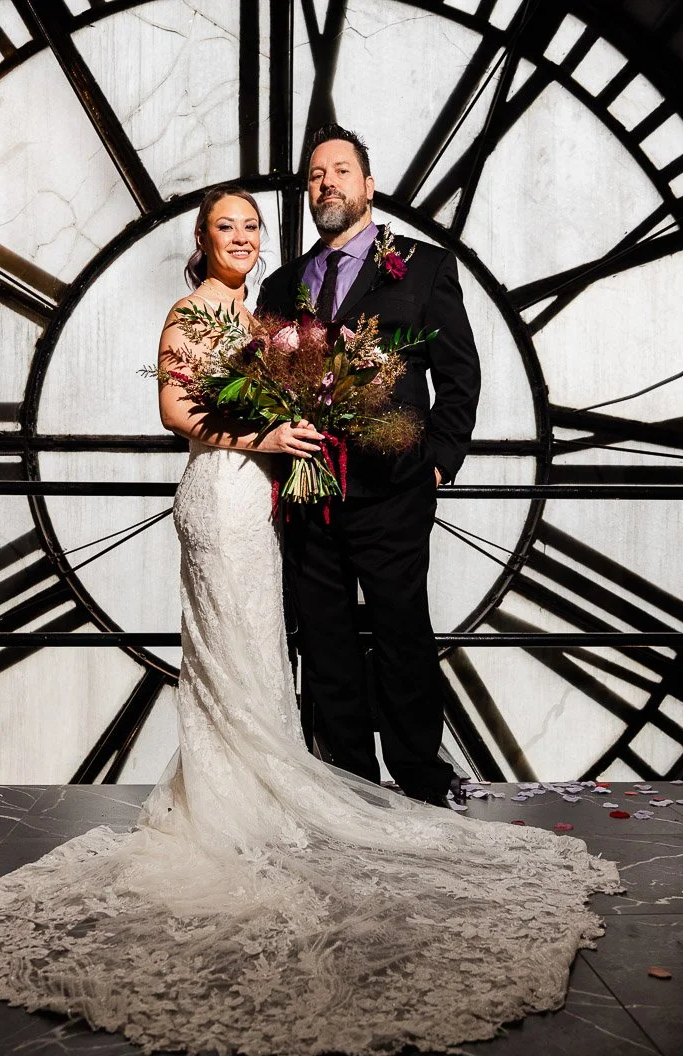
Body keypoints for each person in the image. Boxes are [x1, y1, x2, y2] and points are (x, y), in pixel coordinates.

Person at [0, 185, 619, 1056]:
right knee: (231, 648)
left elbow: (391, 380)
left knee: (259, 652)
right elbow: (175, 414)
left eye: (250, 227)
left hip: (270, 507)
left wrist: (325, 425)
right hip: (224, 496)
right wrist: (265, 445)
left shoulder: (267, 312)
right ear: (202, 243)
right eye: (224, 228)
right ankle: (239, 802)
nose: (241, 237)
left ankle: (270, 790)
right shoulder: (192, 312)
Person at [258, 123, 480, 807]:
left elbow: (460, 377)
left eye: (341, 171)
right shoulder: (281, 283)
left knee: (402, 635)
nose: (327, 184)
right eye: (317, 176)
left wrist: (438, 463)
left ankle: (419, 779)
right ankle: (348, 784)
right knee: (324, 644)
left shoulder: (423, 266)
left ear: (368, 185)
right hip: (309, 497)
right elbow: (263, 382)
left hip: (392, 494)